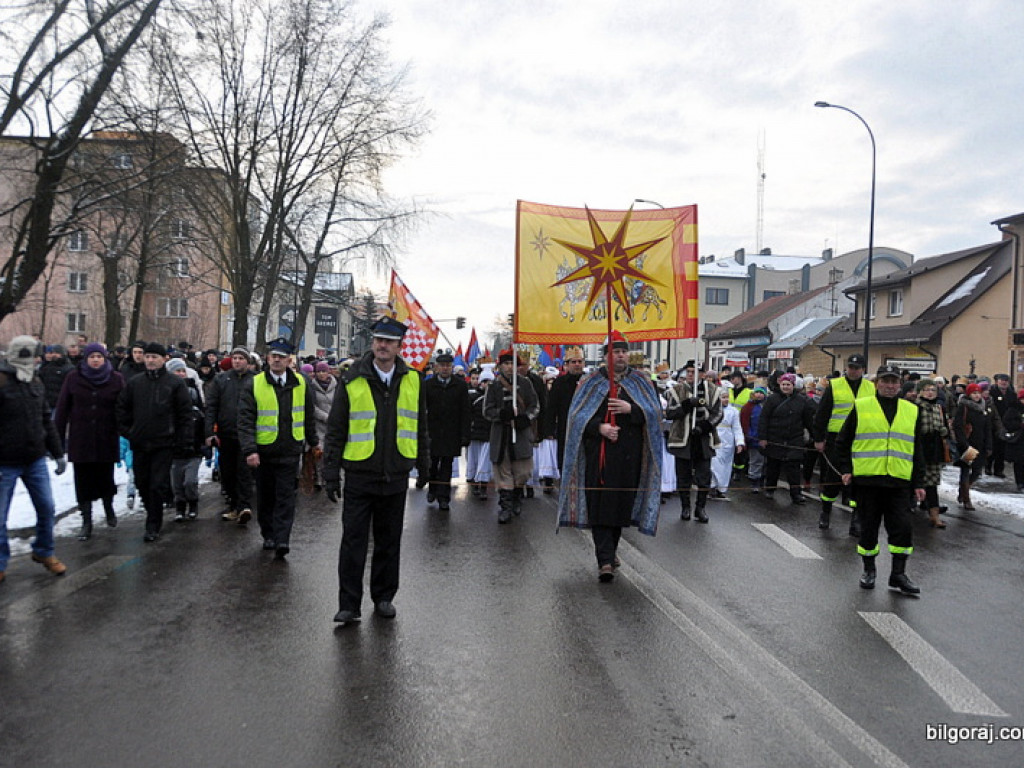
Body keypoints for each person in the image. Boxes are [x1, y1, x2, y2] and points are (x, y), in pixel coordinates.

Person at [323, 317, 429, 625]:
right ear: (372, 343)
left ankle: (383, 597)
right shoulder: (352, 378)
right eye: (379, 340)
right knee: (353, 542)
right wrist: (330, 473)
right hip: (360, 474)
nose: (382, 346)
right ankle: (349, 605)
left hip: (395, 474)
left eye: (389, 341)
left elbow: (421, 426)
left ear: (399, 346)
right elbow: (336, 429)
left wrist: (424, 464)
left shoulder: (413, 380)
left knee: (388, 541)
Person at [557, 330, 663, 581]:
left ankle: (610, 550)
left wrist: (631, 409)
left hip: (629, 456)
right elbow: (577, 418)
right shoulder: (591, 382)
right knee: (600, 506)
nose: (621, 355)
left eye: (624, 351)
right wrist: (600, 428)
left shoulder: (642, 382)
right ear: (606, 355)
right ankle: (604, 560)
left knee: (619, 507)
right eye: (616, 351)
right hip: (600, 456)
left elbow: (655, 414)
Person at [836, 364, 927, 595]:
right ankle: (869, 570)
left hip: (899, 481)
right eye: (885, 381)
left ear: (900, 384)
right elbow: (843, 441)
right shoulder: (862, 406)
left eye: (894, 382)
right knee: (868, 529)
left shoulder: (911, 410)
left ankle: (898, 574)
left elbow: (917, 448)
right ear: (877, 383)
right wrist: (846, 469)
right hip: (868, 481)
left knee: (902, 529)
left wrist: (919, 482)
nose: (890, 386)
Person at [238, 338, 318, 558]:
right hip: (264, 451)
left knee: (286, 497)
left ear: (289, 360)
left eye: (281, 357)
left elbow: (308, 414)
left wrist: (313, 443)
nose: (276, 360)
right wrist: (250, 450)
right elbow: (245, 420)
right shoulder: (255, 383)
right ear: (267, 358)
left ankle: (282, 538)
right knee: (266, 497)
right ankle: (269, 534)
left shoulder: (301, 383)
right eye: (273, 356)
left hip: (290, 449)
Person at [0, 336, 68, 582]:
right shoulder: (2, 381)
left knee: (46, 508)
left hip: (35, 459)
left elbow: (46, 420)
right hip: (5, 462)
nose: (39, 360)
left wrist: (58, 453)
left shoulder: (35, 381)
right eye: (36, 355)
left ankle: (44, 551)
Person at [116, 342, 193, 542]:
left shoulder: (175, 384)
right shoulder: (135, 383)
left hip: (164, 443)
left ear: (164, 359)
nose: (150, 360)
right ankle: (152, 511)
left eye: (154, 357)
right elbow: (122, 409)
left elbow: (185, 414)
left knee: (157, 484)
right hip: (140, 442)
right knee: (142, 482)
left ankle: (153, 523)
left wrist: (181, 439)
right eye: (147, 356)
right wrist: (129, 432)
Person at [53, 342, 125, 540]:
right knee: (82, 481)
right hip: (81, 438)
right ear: (86, 359)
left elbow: (124, 407)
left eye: (99, 356)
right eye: (92, 356)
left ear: (105, 358)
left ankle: (108, 507)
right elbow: (62, 409)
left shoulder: (116, 379)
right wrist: (57, 439)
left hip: (106, 437)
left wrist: (126, 431)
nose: (95, 360)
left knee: (105, 477)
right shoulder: (73, 378)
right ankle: (86, 521)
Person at [812, 354, 874, 531]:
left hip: (861, 439)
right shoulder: (835, 385)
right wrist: (818, 438)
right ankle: (825, 512)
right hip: (837, 439)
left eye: (857, 368)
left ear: (863, 369)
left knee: (858, 479)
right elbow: (822, 413)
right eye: (851, 367)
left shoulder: (871, 387)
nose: (853, 371)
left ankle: (856, 519)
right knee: (833, 478)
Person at [484, 348, 540, 523]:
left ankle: (517, 496)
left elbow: (535, 406)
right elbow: (487, 410)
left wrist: (525, 418)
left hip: (521, 434)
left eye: (512, 364)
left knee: (523, 472)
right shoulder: (493, 386)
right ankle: (505, 507)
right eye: (506, 363)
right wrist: (501, 414)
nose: (509, 367)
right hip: (501, 435)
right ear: (500, 366)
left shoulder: (525, 383)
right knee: (503, 472)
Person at [665, 360, 722, 522]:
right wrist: (687, 405)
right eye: (688, 372)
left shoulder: (713, 391)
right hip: (683, 439)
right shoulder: (676, 390)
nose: (690, 375)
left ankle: (700, 508)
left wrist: (705, 426)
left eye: (694, 372)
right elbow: (670, 413)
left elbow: (718, 413)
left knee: (704, 476)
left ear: (702, 374)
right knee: (683, 476)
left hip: (703, 439)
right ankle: (685, 508)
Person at [205, 347, 256, 524]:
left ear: (248, 361)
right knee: (227, 472)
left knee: (244, 472)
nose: (237, 361)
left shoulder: (256, 380)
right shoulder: (221, 379)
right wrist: (209, 432)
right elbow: (211, 406)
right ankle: (234, 505)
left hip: (248, 434)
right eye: (235, 358)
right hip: (225, 434)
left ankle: (244, 506)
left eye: (241, 358)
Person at [423, 352, 471, 511]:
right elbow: (422, 409)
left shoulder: (460, 385)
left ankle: (444, 497)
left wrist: (465, 434)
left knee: (446, 466)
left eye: (448, 366)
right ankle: (432, 489)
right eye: (442, 365)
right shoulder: (428, 385)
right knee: (432, 464)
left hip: (452, 432)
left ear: (451, 367)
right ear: (436, 367)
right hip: (433, 432)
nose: (445, 368)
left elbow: (465, 411)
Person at [758, 372, 814, 505]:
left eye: (788, 384)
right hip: (775, 438)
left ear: (793, 385)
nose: (785, 387)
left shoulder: (802, 401)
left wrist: (816, 437)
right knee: (773, 466)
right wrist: (762, 438)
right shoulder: (772, 399)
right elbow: (764, 419)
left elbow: (808, 421)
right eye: (783, 384)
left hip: (794, 439)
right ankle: (770, 489)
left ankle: (796, 494)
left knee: (794, 469)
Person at [166, 358, 207, 522]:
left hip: (193, 447)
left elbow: (202, 417)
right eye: (177, 371)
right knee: (176, 483)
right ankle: (180, 507)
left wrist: (204, 443)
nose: (181, 374)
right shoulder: (166, 392)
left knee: (190, 482)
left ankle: (193, 504)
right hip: (174, 449)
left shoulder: (193, 389)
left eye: (183, 370)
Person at [952, 382, 995, 511]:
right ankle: (966, 499)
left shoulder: (984, 408)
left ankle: (963, 490)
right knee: (965, 471)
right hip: (968, 446)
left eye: (978, 393)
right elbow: (958, 427)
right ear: (969, 394)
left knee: (976, 472)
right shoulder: (963, 407)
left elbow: (988, 428)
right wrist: (964, 444)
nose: (976, 395)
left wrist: (989, 445)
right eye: (974, 393)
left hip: (980, 445)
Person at [915, 378, 950, 528]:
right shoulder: (915, 407)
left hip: (935, 449)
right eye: (926, 390)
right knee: (916, 480)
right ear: (920, 392)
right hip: (919, 448)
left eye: (933, 390)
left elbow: (946, 428)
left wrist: (944, 431)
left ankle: (934, 516)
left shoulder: (939, 408)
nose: (930, 393)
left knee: (932, 484)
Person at [546, 346, 586, 471]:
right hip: (565, 428)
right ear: (567, 365)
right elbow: (551, 408)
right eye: (573, 362)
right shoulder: (559, 383)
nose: (577, 364)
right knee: (565, 463)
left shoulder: (589, 382)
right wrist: (550, 430)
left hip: (587, 429)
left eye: (580, 361)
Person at [710, 385, 745, 500]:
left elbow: (737, 427)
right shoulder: (712, 410)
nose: (726, 399)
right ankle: (712, 486)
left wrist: (739, 442)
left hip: (728, 440)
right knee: (715, 463)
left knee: (726, 466)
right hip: (715, 438)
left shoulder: (733, 411)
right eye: (723, 397)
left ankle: (722, 488)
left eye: (727, 397)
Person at [465, 368, 493, 499]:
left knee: (485, 462)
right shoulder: (473, 396)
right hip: (475, 433)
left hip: (488, 434)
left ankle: (483, 487)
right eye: (485, 381)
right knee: (474, 460)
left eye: (489, 381)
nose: (487, 384)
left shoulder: (495, 398)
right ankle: (475, 484)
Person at [989, 374, 1019, 478]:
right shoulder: (992, 392)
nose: (1004, 382)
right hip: (993, 423)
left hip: (1007, 424)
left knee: (1002, 448)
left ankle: (999, 470)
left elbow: (1015, 407)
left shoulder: (1012, 394)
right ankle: (988, 466)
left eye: (1006, 381)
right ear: (997, 381)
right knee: (992, 446)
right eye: (1002, 380)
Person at [740, 386, 768, 492]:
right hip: (753, 439)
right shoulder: (748, 407)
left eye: (761, 393)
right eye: (757, 393)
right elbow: (744, 422)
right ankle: (754, 480)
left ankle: (763, 479)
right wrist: (749, 436)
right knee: (755, 461)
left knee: (765, 462)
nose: (759, 395)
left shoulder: (767, 406)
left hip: (766, 438)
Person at [38, 344, 74, 413]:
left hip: (59, 403)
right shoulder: (47, 367)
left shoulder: (69, 369)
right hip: (47, 402)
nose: (54, 355)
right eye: (53, 352)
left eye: (57, 353)